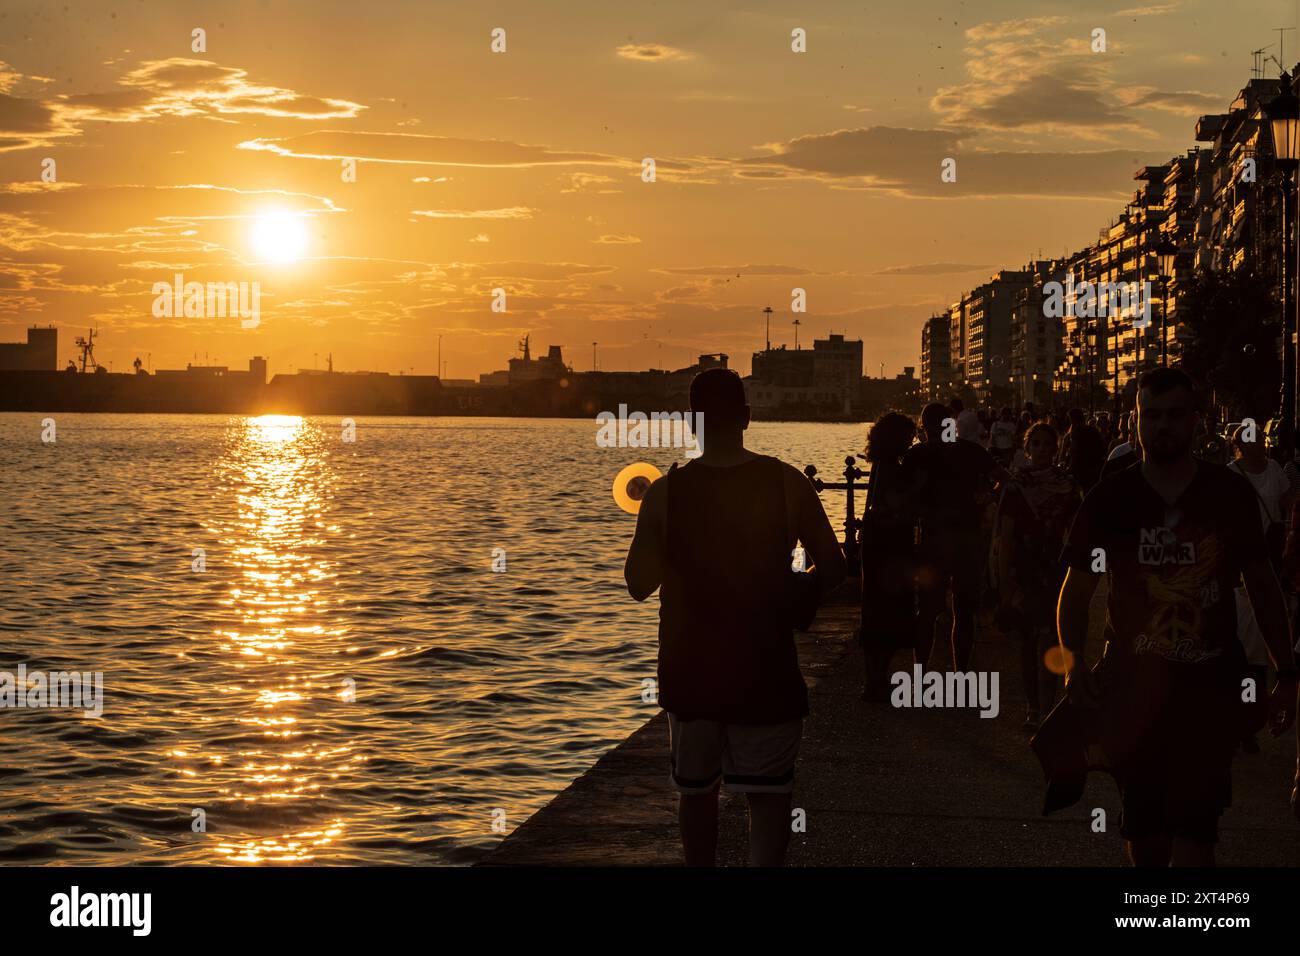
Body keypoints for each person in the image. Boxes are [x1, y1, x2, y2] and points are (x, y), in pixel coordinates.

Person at [1056, 367, 1298, 867]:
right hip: (1133, 687)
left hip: (1208, 689)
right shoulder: (1112, 499)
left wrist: (1287, 674)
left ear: (1196, 421)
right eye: (1152, 416)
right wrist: (1073, 664)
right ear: (1135, 422)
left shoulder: (1227, 495)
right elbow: (1075, 592)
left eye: (1175, 415)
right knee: (1145, 831)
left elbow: (1264, 588)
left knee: (1195, 829)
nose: (1163, 426)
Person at [624, 367, 846, 866]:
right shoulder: (787, 483)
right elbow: (835, 566)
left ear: (690, 422)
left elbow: (639, 585)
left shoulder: (666, 493)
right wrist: (799, 584)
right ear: (747, 417)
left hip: (691, 671)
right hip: (766, 671)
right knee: (767, 799)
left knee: (696, 794)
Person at [905, 402, 1007, 671]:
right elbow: (1003, 479)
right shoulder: (971, 451)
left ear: (924, 427)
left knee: (927, 610)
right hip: (967, 537)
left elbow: (907, 498)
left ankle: (921, 670)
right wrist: (987, 496)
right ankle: (960, 671)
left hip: (933, 540)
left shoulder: (918, 455)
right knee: (963, 611)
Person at [994, 423, 1082, 732]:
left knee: (1051, 637)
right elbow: (1005, 536)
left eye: (1048, 444)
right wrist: (1004, 578)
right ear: (1027, 448)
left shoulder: (1068, 485)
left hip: (1057, 569)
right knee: (1028, 640)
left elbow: (1076, 531)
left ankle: (1048, 707)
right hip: (1025, 570)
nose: (1043, 449)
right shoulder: (1015, 487)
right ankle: (1033, 705)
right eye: (1037, 444)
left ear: (1056, 448)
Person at [1227, 423, 1294, 753]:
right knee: (1239, 651)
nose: (1255, 443)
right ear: (1239, 443)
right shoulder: (1230, 475)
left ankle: (1249, 719)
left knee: (1255, 657)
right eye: (1248, 438)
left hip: (1269, 561)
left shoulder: (1276, 470)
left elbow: (1286, 504)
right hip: (1237, 571)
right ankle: (1240, 721)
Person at [858, 411, 917, 702]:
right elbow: (886, 508)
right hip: (890, 546)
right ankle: (876, 679)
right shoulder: (892, 469)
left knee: (876, 608)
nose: (911, 441)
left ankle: (875, 678)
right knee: (888, 609)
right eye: (907, 436)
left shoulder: (882, 465)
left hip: (878, 545)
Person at [1063, 407, 1106, 491]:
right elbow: (1102, 450)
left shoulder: (1075, 433)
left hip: (1080, 473)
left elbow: (1074, 454)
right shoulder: (1093, 430)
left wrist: (1069, 470)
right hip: (1094, 472)